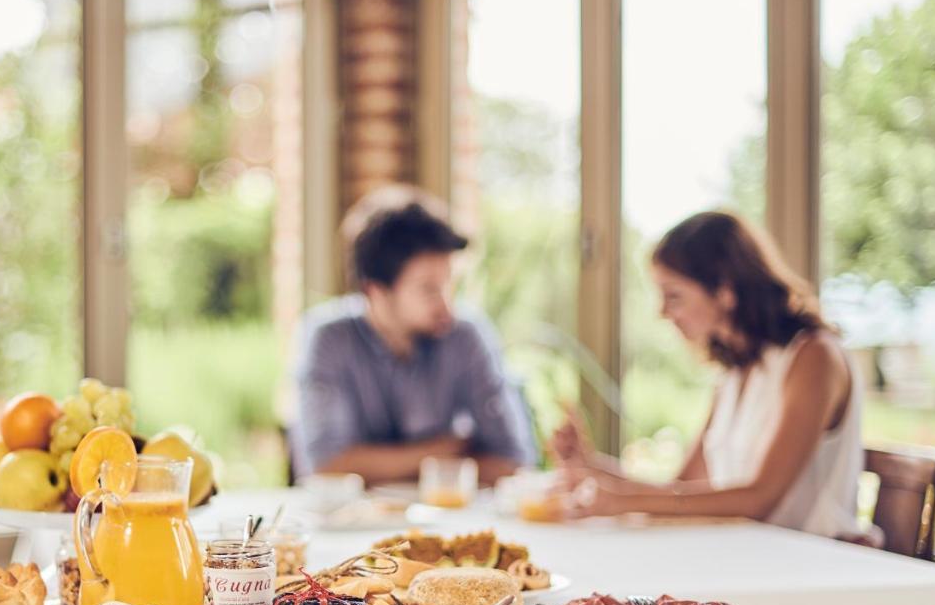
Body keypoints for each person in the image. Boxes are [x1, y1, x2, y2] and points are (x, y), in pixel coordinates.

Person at [552, 210, 863, 539]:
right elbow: (682, 488)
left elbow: (759, 499)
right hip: (752, 556)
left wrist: (624, 500)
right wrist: (592, 467)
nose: (662, 312)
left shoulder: (814, 357)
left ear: (725, 292)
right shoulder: (736, 372)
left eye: (674, 296)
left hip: (815, 564)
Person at [290, 185, 538, 485]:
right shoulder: (327, 338)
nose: (447, 305)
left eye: (450, 285)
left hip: (450, 522)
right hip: (357, 528)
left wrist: (374, 463)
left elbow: (514, 460)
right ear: (375, 291)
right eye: (428, 290)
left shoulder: (467, 335)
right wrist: (445, 450)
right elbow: (325, 466)